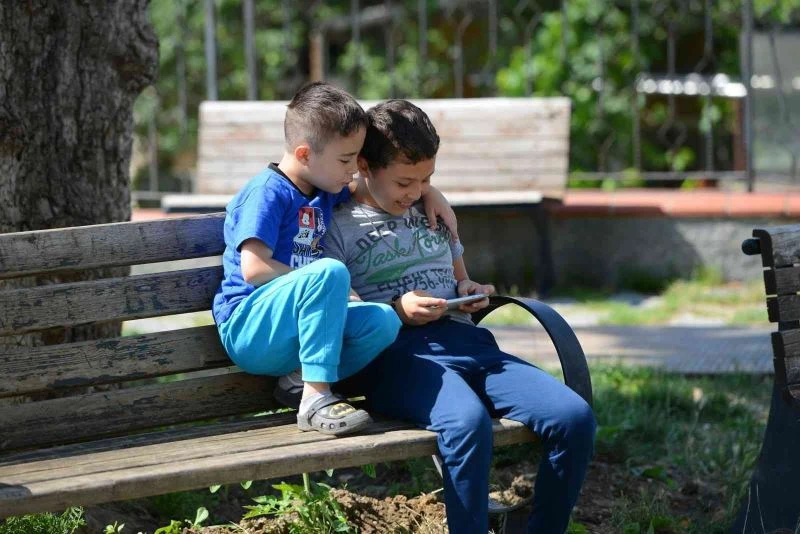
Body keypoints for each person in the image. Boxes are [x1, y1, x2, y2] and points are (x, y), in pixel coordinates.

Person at [325, 99, 597, 531]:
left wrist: (469, 291)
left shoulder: (432, 210)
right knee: (467, 423)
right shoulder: (336, 224)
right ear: (364, 165)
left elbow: (459, 277)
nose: (416, 191)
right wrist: (397, 311)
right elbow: (338, 311)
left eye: (427, 179)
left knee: (573, 417)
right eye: (404, 181)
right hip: (397, 356)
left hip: (468, 343)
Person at [211, 83, 456, 437]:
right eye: (345, 160)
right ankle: (315, 399)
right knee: (329, 271)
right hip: (251, 328)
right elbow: (254, 269)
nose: (353, 170)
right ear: (305, 154)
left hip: (295, 336)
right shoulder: (267, 192)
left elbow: (378, 184)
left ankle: (298, 380)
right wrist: (329, 286)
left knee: (384, 320)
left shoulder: (325, 189)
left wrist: (431, 193)